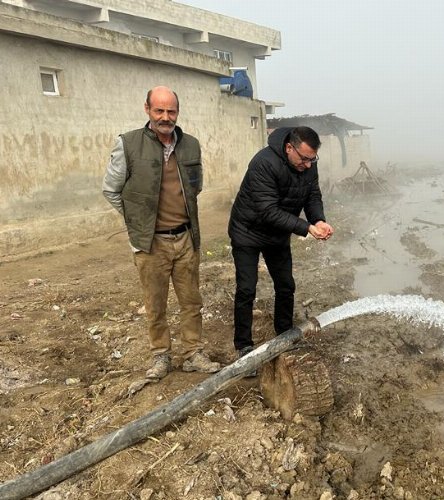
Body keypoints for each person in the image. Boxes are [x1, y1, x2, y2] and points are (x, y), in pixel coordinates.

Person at [102, 86, 220, 380]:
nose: (166, 117)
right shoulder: (128, 144)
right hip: (151, 243)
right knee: (155, 304)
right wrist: (138, 222)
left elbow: (196, 186)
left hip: (185, 239)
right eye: (159, 111)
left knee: (192, 302)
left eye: (171, 111)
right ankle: (161, 356)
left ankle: (193, 353)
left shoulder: (190, 145)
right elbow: (111, 190)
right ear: (147, 110)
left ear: (177, 113)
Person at [228, 126, 333, 360]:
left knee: (286, 285)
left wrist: (319, 219)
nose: (308, 165)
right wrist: (306, 228)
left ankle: (284, 333)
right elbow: (268, 210)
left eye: (312, 159)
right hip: (248, 231)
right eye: (304, 159)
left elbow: (312, 195)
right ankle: (243, 346)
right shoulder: (263, 163)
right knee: (247, 288)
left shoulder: (308, 165)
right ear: (289, 148)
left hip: (277, 234)